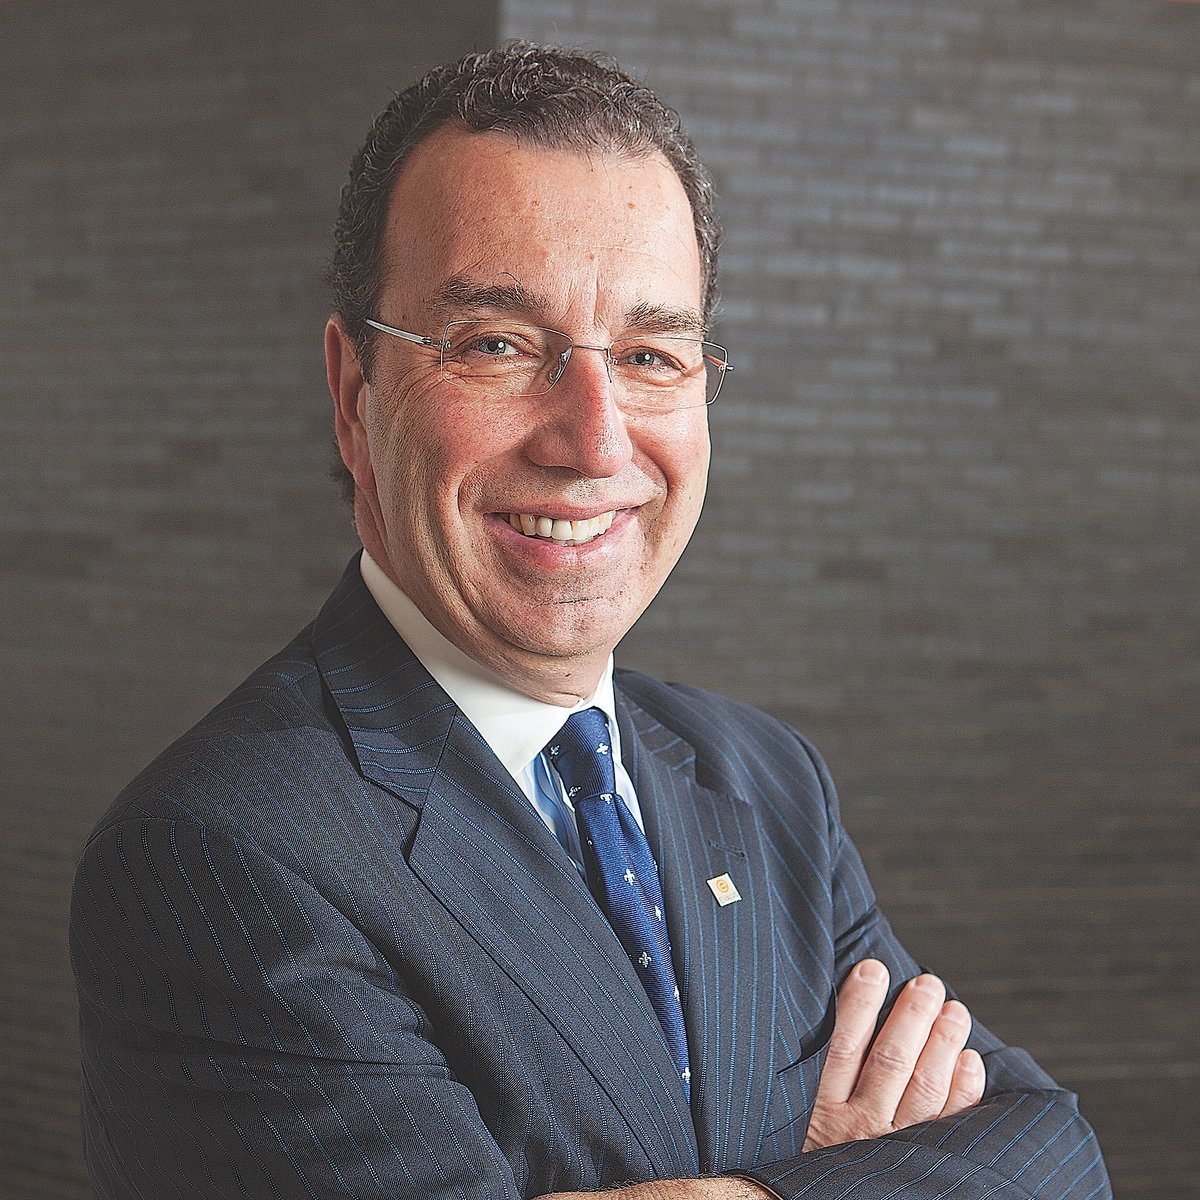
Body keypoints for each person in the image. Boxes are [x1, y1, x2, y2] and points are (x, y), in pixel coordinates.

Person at [69, 43, 1110, 1200]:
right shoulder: (221, 855)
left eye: (651, 355)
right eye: (498, 345)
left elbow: (1053, 1152)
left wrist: (747, 1192)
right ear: (354, 399)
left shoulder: (767, 784)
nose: (597, 440)